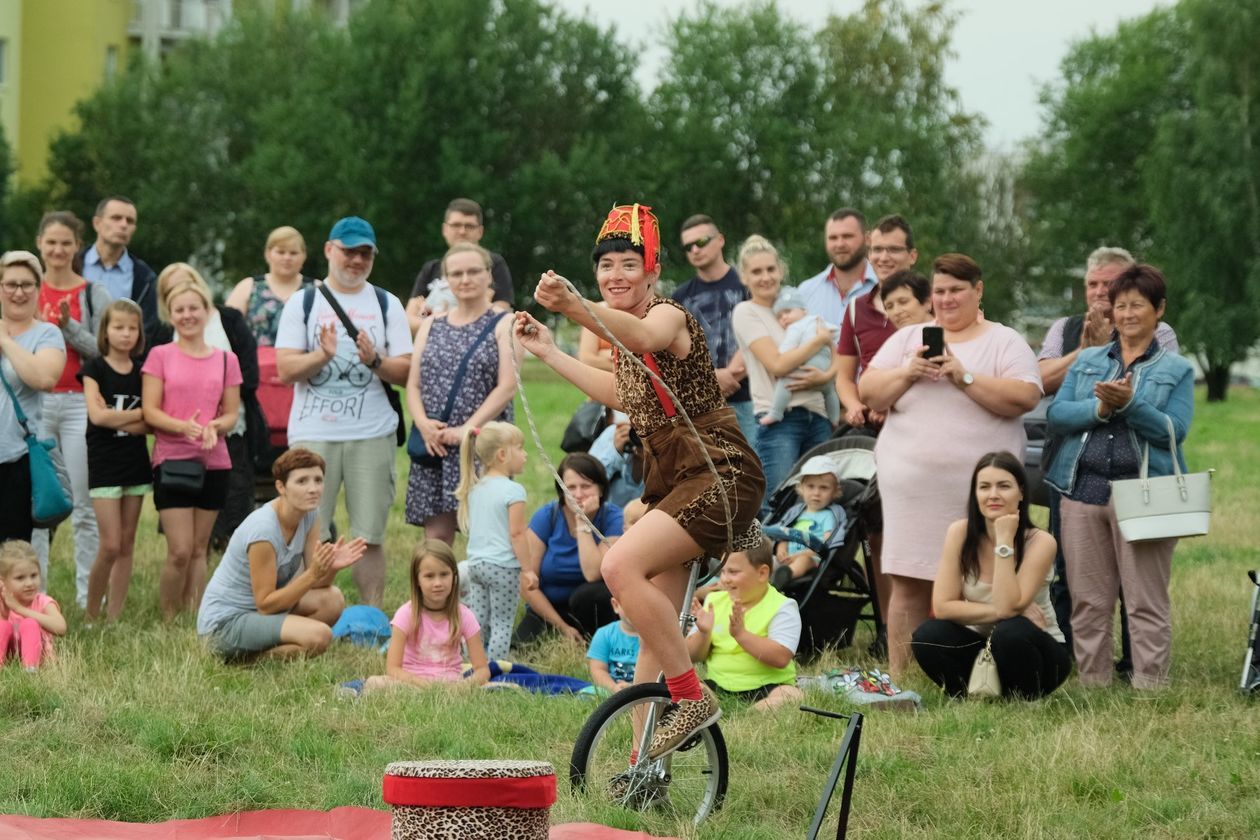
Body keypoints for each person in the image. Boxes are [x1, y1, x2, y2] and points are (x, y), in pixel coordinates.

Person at [515, 203, 765, 760]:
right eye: (606, 267)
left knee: (617, 565)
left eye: (628, 264)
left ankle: (691, 696)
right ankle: (642, 769)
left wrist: (578, 307)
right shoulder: (623, 344)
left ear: (651, 271)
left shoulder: (668, 316)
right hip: (673, 481)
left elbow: (648, 336)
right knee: (657, 636)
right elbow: (620, 394)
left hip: (718, 470)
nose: (616, 275)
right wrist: (549, 350)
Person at [859, 253, 1042, 678]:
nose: (946, 299)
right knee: (908, 579)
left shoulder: (1003, 340)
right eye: (939, 291)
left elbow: (1025, 397)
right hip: (913, 490)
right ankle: (900, 676)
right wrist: (909, 373)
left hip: (980, 492)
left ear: (978, 291)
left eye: (956, 290)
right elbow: (869, 391)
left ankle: (983, 669)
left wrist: (965, 377)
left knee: (983, 577)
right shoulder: (910, 339)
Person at [1046, 264, 1193, 690]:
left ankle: (1150, 682)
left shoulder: (1177, 368)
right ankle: (1093, 682)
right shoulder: (1090, 360)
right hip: (1082, 490)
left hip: (1144, 493)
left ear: (1159, 310)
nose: (1128, 314)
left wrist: (1129, 405)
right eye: (1121, 306)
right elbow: (1057, 415)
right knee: (1089, 599)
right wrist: (1100, 410)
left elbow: (1173, 431)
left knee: (1146, 598)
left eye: (1138, 306)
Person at [275, 217, 412, 607]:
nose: (356, 260)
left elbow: (404, 371)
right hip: (313, 433)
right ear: (329, 250)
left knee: (369, 535)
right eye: (349, 250)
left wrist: (375, 361)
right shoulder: (302, 302)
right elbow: (285, 370)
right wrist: (321, 356)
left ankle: (370, 616)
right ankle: (307, 608)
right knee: (305, 532)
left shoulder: (387, 303)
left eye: (364, 253)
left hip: (371, 434)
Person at [910, 452, 1071, 699]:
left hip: (1038, 652)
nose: (993, 494)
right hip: (982, 645)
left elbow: (1008, 607)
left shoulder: (1040, 542)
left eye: (1004, 486)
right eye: (984, 487)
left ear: (1021, 493)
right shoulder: (959, 533)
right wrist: (1000, 612)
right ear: (975, 494)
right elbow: (943, 607)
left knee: (1010, 632)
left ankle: (1022, 699)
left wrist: (1004, 541)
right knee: (927, 636)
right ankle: (971, 694)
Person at [198, 448, 365, 661]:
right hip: (224, 625)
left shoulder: (310, 514)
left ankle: (265, 646)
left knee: (333, 600)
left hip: (260, 615)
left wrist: (329, 567)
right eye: (302, 481)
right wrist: (312, 574)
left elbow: (316, 585)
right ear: (281, 487)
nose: (313, 488)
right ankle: (245, 661)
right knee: (320, 636)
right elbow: (266, 604)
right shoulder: (263, 530)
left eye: (318, 480)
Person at [142, 271, 243, 620]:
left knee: (201, 548)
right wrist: (182, 427)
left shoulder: (226, 360)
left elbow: (231, 413)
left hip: (215, 461)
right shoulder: (160, 355)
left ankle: (196, 614)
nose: (187, 315)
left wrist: (215, 426)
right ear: (171, 315)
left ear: (206, 311)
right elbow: (150, 410)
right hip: (172, 460)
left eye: (193, 308)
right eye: (179, 309)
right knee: (180, 550)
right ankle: (169, 616)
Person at [406, 242, 517, 546]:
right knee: (436, 539)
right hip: (436, 443)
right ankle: (438, 594)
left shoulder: (504, 323)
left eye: (473, 271)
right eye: (456, 273)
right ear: (445, 281)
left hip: (482, 443)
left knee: (486, 536)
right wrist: (424, 425)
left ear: (488, 276)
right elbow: (413, 384)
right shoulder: (431, 324)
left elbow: (507, 385)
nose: (465, 279)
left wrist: (468, 428)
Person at [32, 211, 112, 607]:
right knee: (38, 503)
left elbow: (106, 352)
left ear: (77, 246)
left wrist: (68, 328)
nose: (58, 250)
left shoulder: (92, 293)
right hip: (36, 404)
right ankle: (35, 593)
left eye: (66, 243)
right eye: (51, 243)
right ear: (39, 244)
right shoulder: (26, 290)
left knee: (84, 504)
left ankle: (87, 598)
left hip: (81, 403)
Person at [151, 264, 261, 545]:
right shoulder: (163, 336)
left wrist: (218, 411)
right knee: (182, 543)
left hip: (226, 432)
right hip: (175, 441)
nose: (186, 308)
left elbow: (249, 374)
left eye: (187, 286)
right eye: (173, 293)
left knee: (232, 513)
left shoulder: (229, 320)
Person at [731, 236, 835, 510]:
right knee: (779, 505)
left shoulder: (795, 309)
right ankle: (776, 555)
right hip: (780, 420)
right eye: (756, 271)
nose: (765, 277)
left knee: (818, 507)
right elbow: (777, 365)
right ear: (744, 277)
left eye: (770, 269)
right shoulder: (746, 312)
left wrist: (825, 378)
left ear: (781, 271)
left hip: (818, 413)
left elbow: (835, 355)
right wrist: (816, 341)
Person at [79, 300, 151, 622]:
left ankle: (114, 616)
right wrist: (137, 415)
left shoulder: (144, 371)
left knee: (127, 543)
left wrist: (113, 416)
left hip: (135, 462)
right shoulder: (94, 368)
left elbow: (152, 422)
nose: (125, 334)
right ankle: (92, 615)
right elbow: (96, 416)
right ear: (105, 331)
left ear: (139, 333)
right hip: (105, 463)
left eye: (131, 328)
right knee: (109, 544)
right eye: (118, 327)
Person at [514, 453, 624, 645]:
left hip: (591, 606)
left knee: (590, 594)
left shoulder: (613, 518)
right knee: (518, 648)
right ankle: (562, 629)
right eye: (570, 487)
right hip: (550, 607)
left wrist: (582, 521)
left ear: (600, 489)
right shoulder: (547, 517)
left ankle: (595, 640)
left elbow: (592, 574)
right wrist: (561, 626)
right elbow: (527, 583)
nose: (578, 494)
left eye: (586, 486)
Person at [687, 538, 803, 711]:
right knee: (686, 685)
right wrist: (704, 633)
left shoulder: (782, 606)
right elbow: (692, 656)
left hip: (769, 686)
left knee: (791, 695)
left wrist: (741, 635)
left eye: (733, 572)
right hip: (718, 684)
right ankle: (714, 705)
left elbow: (780, 658)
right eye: (723, 571)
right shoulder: (714, 601)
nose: (725, 579)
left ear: (762, 573)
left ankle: (756, 710)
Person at [0, 251, 67, 549]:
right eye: (10, 284)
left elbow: (44, 378)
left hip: (16, 460)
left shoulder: (47, 334)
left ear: (39, 289)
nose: (18, 292)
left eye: (27, 284)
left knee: (12, 554)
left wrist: (4, 341)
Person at [361, 540, 491, 693]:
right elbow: (393, 669)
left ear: (454, 576)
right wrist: (427, 686)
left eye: (444, 574)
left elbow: (483, 670)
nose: (438, 583)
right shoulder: (405, 614)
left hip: (451, 686)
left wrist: (462, 687)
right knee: (376, 683)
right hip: (411, 684)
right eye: (429, 576)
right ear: (417, 580)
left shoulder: (465, 616)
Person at [453, 421, 534, 661]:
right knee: (502, 623)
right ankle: (497, 669)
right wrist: (528, 570)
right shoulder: (513, 490)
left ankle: (473, 663)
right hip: (503, 569)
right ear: (502, 455)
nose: (525, 454)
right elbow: (517, 534)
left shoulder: (475, 488)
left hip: (476, 565)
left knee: (478, 620)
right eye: (520, 448)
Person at [672, 215, 754, 446]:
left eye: (701, 242)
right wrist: (710, 379)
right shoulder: (680, 296)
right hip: (701, 404)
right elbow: (676, 350)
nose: (695, 250)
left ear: (720, 240)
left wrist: (731, 375)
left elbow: (761, 333)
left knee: (753, 473)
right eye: (688, 246)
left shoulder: (747, 284)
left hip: (749, 398)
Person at [835, 215, 920, 430]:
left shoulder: (933, 304)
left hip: (919, 422)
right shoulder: (856, 308)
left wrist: (887, 401)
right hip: (871, 427)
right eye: (877, 249)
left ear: (912, 256)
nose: (883, 257)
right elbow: (844, 377)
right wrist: (855, 406)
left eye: (893, 249)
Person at [406, 198, 514, 332]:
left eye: (469, 226)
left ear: (480, 231)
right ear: (445, 229)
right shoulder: (431, 268)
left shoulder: (495, 264)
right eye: (456, 225)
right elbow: (409, 319)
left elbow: (500, 317)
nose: (462, 231)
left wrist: (434, 321)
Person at [80, 196, 159, 343]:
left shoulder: (145, 278)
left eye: (130, 221)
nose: (123, 225)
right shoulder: (73, 265)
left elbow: (147, 330)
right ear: (97, 223)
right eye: (116, 218)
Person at [760, 287, 840, 427]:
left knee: (786, 381)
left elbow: (786, 349)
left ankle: (776, 412)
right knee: (829, 391)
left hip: (810, 363)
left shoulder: (795, 327)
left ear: (803, 310)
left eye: (787, 311)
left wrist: (781, 357)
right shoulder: (818, 321)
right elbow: (836, 333)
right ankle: (835, 419)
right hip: (826, 365)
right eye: (779, 316)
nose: (784, 317)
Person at [224, 226, 314, 347]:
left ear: (304, 255)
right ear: (268, 254)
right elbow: (225, 329)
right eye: (281, 252)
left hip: (306, 363)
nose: (287, 257)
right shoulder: (248, 288)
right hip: (255, 364)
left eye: (293, 253)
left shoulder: (316, 289)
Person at [798, 208, 877, 327]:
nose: (839, 244)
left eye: (847, 236)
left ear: (867, 239)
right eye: (833, 238)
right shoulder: (805, 292)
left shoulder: (886, 288)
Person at [771, 456, 841, 587]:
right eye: (811, 486)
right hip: (786, 558)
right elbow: (784, 534)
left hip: (812, 558)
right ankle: (740, 570)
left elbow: (824, 544)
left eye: (824, 488)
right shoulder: (796, 512)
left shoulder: (830, 515)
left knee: (804, 561)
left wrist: (798, 555)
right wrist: (781, 550)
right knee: (768, 559)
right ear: (801, 488)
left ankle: (785, 576)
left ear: (835, 492)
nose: (816, 493)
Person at [0, 540, 66, 671]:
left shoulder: (42, 601)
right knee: (2, 625)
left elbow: (61, 628)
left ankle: (30, 670)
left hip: (39, 659)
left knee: (30, 624)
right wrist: (5, 611)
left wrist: (19, 609)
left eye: (34, 575)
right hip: (9, 656)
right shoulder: (3, 600)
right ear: (3, 581)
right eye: (20, 578)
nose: (29, 583)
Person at [588, 411, 645, 509]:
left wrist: (651, 458)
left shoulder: (664, 439)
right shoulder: (613, 434)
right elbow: (587, 481)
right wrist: (615, 452)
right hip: (607, 518)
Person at [587, 596, 641, 694]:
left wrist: (635, 688)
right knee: (587, 692)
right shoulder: (604, 634)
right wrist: (614, 688)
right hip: (612, 688)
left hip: (644, 689)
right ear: (616, 605)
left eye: (641, 604)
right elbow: (597, 669)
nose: (635, 609)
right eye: (629, 604)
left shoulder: (656, 636)